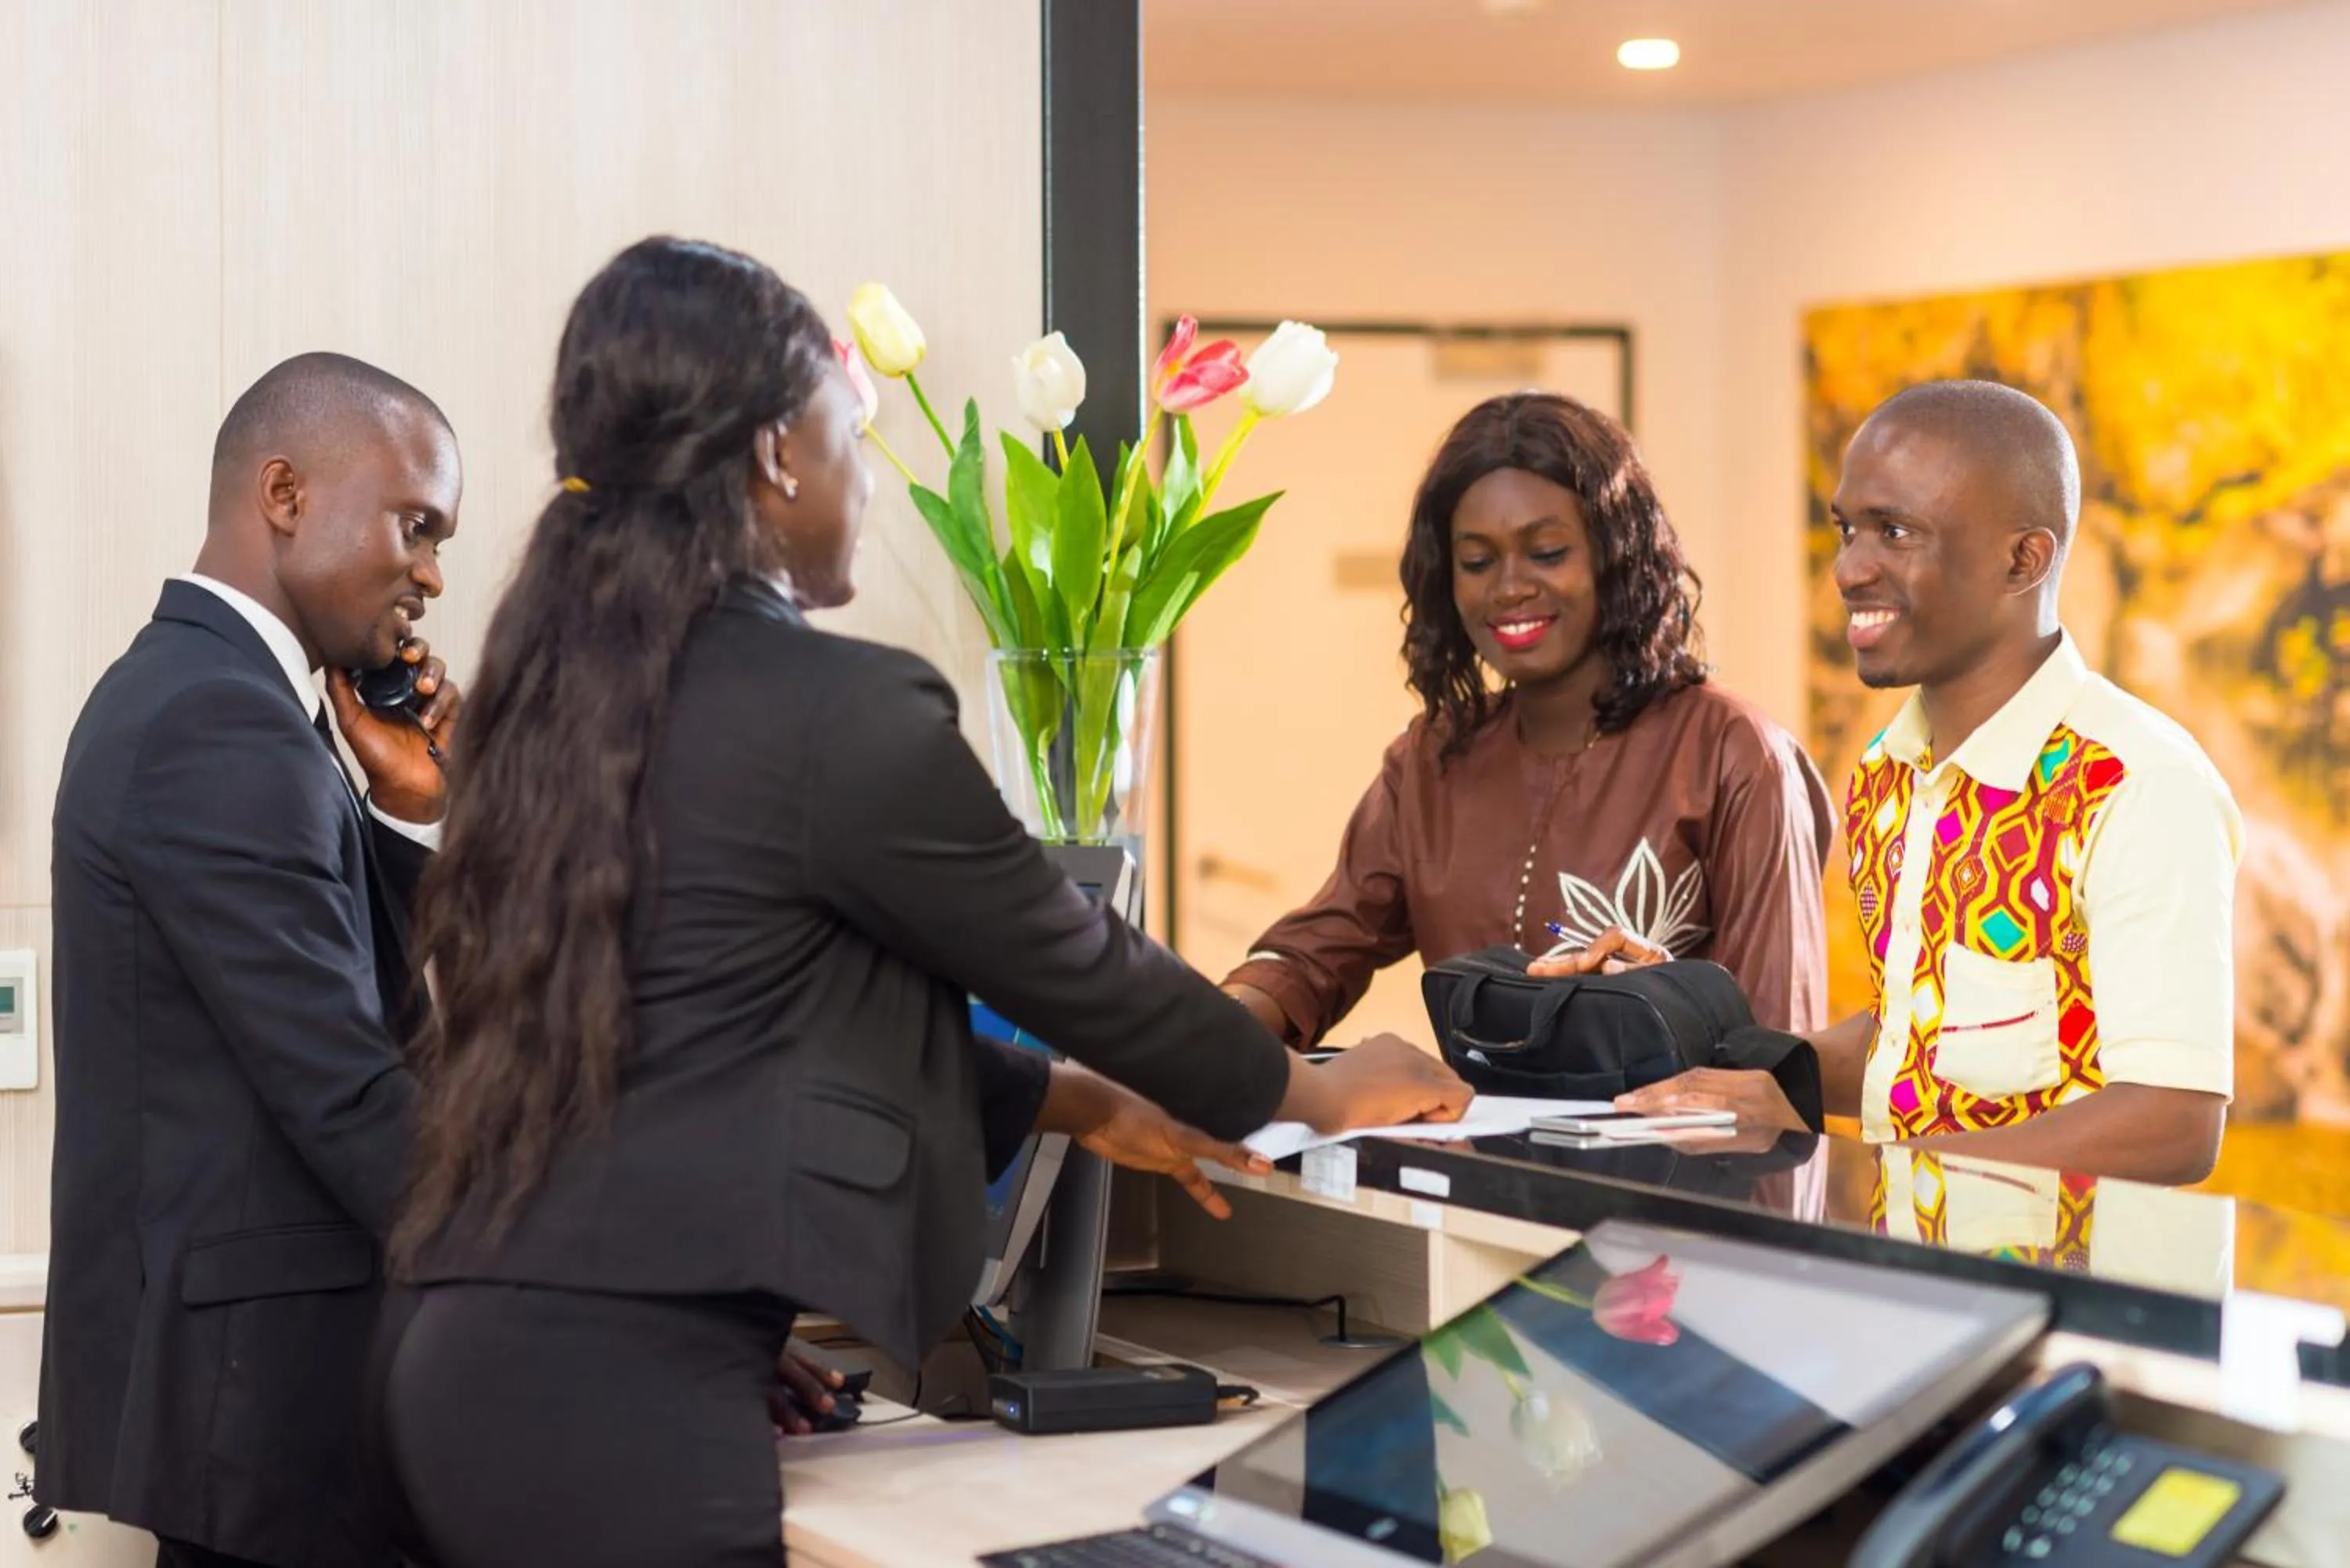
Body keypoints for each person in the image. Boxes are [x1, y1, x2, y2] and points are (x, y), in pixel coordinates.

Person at [380, 237, 1469, 1568]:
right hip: (618, 1397)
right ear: (779, 451)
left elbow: (747, 1024)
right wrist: (1305, 1088)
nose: (866, 489)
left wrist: (1072, 1100)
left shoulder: (558, 701)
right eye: (849, 431)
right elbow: (1079, 962)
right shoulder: (839, 715)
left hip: (469, 1359)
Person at [1593, 380, 2242, 1187]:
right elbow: (1920, 1037)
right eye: (1847, 529)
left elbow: (2171, 1124)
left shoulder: (2139, 782)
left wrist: (1894, 1172)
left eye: (1895, 532)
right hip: (1916, 1291)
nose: (1849, 569)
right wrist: (1688, 1028)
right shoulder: (1889, 776)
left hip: (2076, 1308)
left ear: (2023, 559)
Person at [39, 352, 462, 1568]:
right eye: (416, 524)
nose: (433, 574)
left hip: (274, 1430)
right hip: (278, 1431)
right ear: (284, 492)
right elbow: (355, 1100)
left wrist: (410, 813)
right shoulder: (215, 719)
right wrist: (630, 1311)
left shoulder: (217, 703)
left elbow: (357, 1014)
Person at [1223, 391, 1835, 1048]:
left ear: (1615, 555)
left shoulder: (1733, 753)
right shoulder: (1430, 762)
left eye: (1546, 553)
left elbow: (1777, 1043)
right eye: (1478, 562)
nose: (1509, 586)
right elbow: (1310, 960)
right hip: (1472, 1152)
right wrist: (1193, 1039)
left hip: (1682, 1152)